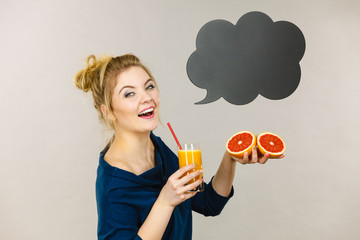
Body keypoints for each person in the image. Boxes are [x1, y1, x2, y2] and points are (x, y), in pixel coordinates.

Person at [74, 54, 275, 240]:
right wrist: (165, 202)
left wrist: (231, 157)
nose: (146, 98)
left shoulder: (158, 149)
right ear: (108, 111)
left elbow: (209, 203)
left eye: (149, 86)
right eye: (129, 94)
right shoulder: (114, 184)